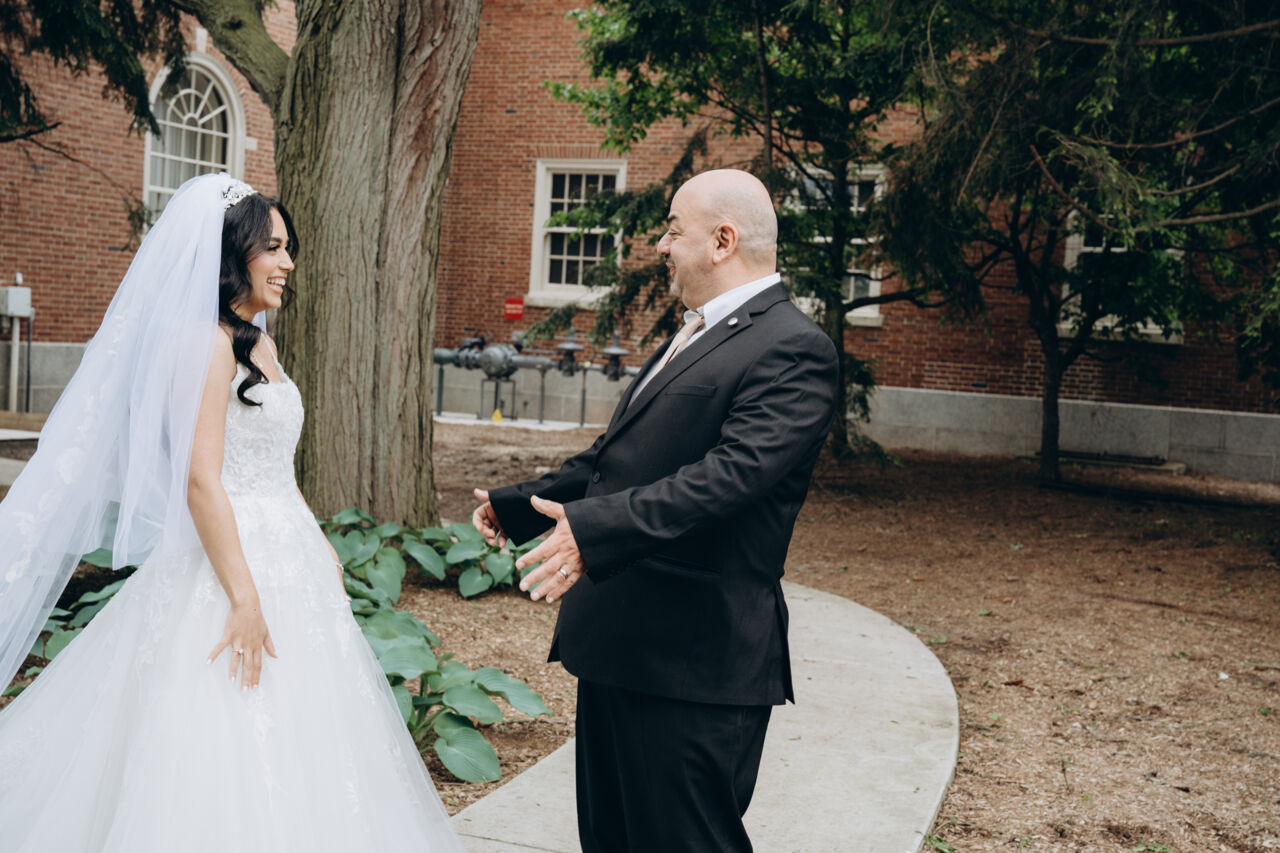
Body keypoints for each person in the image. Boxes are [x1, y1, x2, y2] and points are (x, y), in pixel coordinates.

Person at [0, 173, 464, 852]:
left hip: (291, 557)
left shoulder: (259, 342)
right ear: (231, 255)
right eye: (272, 247)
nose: (288, 262)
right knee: (220, 727)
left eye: (288, 247)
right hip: (229, 564)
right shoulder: (206, 343)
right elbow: (200, 480)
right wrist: (244, 598)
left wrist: (321, 547)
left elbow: (277, 466)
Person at [472, 169, 839, 852]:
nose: (662, 246)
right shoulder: (697, 332)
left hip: (694, 662)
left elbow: (728, 478)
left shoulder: (794, 348)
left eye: (673, 230)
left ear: (723, 241)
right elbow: (620, 458)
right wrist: (519, 506)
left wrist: (592, 531)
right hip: (621, 646)